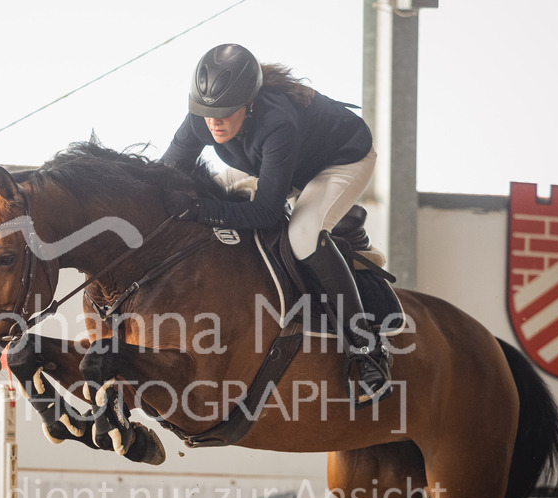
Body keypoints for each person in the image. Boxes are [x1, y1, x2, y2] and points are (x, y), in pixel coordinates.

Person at [160, 43, 391, 407]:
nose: (214, 122)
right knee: (214, 188)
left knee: (302, 235)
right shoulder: (201, 120)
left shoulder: (277, 122)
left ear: (249, 104)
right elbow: (163, 176)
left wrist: (201, 209)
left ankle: (368, 347)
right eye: (206, 112)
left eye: (224, 112)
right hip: (277, 162)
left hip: (342, 159)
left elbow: (268, 212)